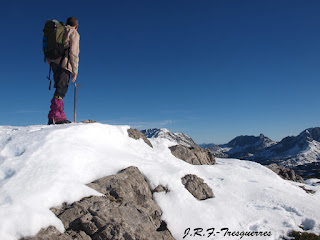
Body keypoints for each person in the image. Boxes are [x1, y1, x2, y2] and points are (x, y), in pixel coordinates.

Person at [47, 16, 80, 125]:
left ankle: (59, 115)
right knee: (61, 89)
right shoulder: (73, 33)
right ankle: (55, 116)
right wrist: (75, 71)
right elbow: (74, 53)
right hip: (64, 64)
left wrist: (52, 63)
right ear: (76, 26)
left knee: (60, 88)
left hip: (54, 63)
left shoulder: (58, 31)